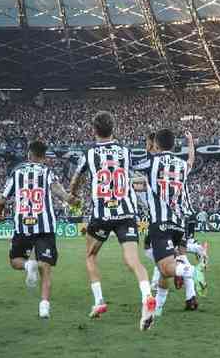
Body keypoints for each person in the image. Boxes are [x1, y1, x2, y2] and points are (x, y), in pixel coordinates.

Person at [69, 111, 156, 331]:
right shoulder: (125, 152)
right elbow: (136, 171)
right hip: (126, 213)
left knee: (90, 255)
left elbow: (77, 179)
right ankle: (147, 296)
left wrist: (72, 195)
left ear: (94, 130)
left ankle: (99, 301)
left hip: (102, 215)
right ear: (113, 129)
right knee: (133, 261)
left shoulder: (89, 153)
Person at [0, 140, 72, 318]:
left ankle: (28, 265)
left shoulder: (17, 172)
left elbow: (1, 199)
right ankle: (44, 307)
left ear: (29, 154)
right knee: (45, 267)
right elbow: (58, 190)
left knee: (15, 261)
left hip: (22, 226)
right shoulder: (47, 172)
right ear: (44, 157)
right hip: (44, 226)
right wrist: (69, 198)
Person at [134, 129, 202, 316]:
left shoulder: (152, 161)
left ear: (155, 144)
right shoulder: (181, 164)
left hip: (161, 222)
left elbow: (130, 164)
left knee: (163, 264)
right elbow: (191, 160)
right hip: (178, 224)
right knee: (164, 265)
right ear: (173, 144)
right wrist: (190, 142)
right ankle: (159, 308)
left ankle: (190, 271)